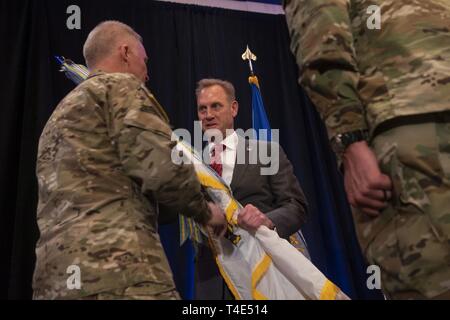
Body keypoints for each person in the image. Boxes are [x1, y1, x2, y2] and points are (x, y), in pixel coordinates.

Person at [32, 21, 226, 300]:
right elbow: (162, 167)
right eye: (144, 61)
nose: (146, 74)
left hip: (55, 281)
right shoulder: (120, 87)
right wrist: (206, 212)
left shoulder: (55, 119)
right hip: (119, 271)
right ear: (125, 52)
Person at [284, 0, 450, 299]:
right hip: (412, 134)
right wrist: (352, 142)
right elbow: (322, 38)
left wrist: (348, 140)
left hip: (407, 132)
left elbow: (321, 38)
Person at [194, 78, 308, 299]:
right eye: (202, 109)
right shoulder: (192, 164)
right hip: (213, 283)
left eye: (216, 106)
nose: (208, 115)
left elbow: (297, 206)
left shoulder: (267, 152)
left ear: (234, 108)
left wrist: (267, 219)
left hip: (265, 274)